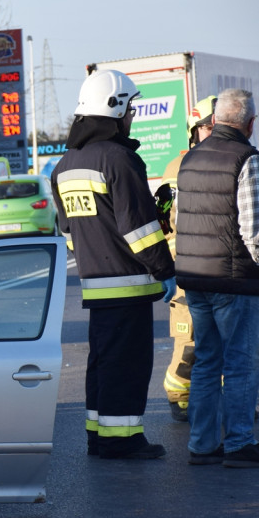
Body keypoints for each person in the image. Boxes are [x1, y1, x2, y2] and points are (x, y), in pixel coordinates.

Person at [50, 69, 176, 459]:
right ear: (116, 108)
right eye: (131, 108)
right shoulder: (120, 159)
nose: (133, 115)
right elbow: (139, 230)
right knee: (128, 366)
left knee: (102, 364)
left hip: (95, 286)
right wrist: (166, 270)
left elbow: (69, 231)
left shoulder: (63, 167)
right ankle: (123, 441)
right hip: (129, 284)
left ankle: (98, 436)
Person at [174, 88, 259, 467]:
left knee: (207, 360)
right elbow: (254, 229)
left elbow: (180, 221)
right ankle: (239, 442)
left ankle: (202, 445)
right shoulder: (247, 159)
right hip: (233, 278)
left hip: (195, 277)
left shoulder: (189, 159)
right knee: (241, 360)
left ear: (216, 119)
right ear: (251, 123)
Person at [157, 95, 217, 422]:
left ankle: (223, 399)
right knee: (189, 341)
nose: (215, 132)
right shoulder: (176, 169)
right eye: (209, 127)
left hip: (220, 269)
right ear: (194, 131)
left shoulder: (232, 160)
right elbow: (163, 218)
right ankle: (179, 396)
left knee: (225, 339)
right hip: (186, 268)